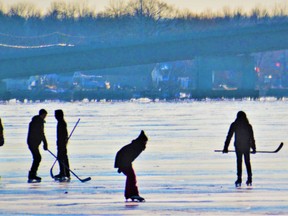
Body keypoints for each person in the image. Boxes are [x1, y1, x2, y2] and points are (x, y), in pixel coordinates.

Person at [223, 111, 256, 187]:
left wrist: (225, 147)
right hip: (246, 146)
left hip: (238, 146)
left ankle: (239, 178)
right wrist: (253, 148)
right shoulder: (248, 126)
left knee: (239, 161)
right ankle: (249, 178)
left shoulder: (235, 125)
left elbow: (229, 136)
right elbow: (251, 138)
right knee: (247, 161)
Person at [114, 130, 148, 202]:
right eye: (145, 141)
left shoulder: (137, 146)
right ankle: (132, 194)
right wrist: (121, 165)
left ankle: (130, 194)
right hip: (124, 161)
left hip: (125, 162)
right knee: (131, 177)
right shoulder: (137, 146)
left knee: (131, 176)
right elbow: (126, 155)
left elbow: (130, 157)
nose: (146, 143)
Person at [27, 109, 48, 183]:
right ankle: (32, 174)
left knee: (37, 158)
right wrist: (45, 143)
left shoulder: (35, 121)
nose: (45, 117)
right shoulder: (38, 122)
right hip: (33, 143)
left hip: (32, 142)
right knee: (37, 158)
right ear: (42, 114)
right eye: (45, 115)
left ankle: (32, 173)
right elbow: (41, 133)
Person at [54, 109, 70, 181]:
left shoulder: (61, 123)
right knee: (63, 158)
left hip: (62, 144)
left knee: (61, 158)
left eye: (56, 115)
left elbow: (63, 135)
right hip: (61, 143)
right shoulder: (61, 122)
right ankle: (65, 172)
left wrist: (63, 143)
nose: (55, 116)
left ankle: (63, 173)